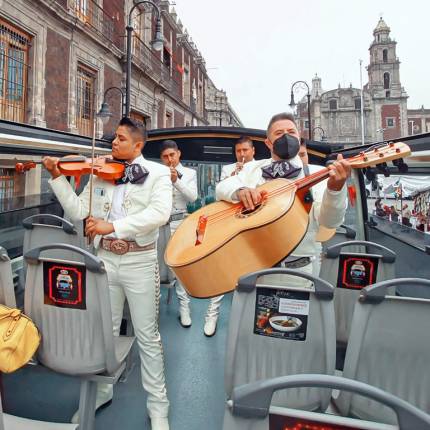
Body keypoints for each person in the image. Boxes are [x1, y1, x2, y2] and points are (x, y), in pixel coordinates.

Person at [43, 117, 171, 430]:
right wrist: (57, 176)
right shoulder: (100, 173)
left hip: (139, 261)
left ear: (138, 145)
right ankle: (102, 392)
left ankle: (158, 406)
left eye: (121, 139)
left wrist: (112, 226)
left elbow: (159, 214)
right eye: (114, 138)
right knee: (105, 331)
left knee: (148, 337)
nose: (113, 143)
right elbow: (76, 211)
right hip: (104, 260)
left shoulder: (158, 173)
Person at [216, 112, 351, 287]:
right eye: (279, 134)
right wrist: (239, 191)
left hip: (299, 274)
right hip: (254, 270)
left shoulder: (319, 174)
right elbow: (222, 187)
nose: (286, 137)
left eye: (291, 132)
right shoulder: (252, 169)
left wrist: (335, 189)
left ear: (299, 136)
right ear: (268, 143)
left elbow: (330, 222)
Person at [159, 140, 199, 329]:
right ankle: (153, 308)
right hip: (159, 224)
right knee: (155, 266)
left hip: (179, 224)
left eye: (172, 155)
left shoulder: (190, 173)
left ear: (178, 154)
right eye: (165, 157)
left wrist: (176, 181)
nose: (169, 160)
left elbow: (193, 197)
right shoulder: (156, 172)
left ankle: (184, 309)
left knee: (179, 268)